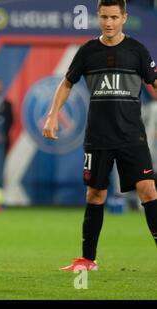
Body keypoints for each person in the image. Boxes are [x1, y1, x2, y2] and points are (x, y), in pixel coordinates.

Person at [42, 0, 157, 271]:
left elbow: (154, 82)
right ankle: (87, 259)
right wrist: (52, 114)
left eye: (114, 17)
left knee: (148, 189)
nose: (108, 22)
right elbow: (67, 82)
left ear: (124, 18)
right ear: (98, 17)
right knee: (95, 194)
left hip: (132, 136)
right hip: (99, 138)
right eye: (104, 17)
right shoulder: (88, 51)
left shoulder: (137, 50)